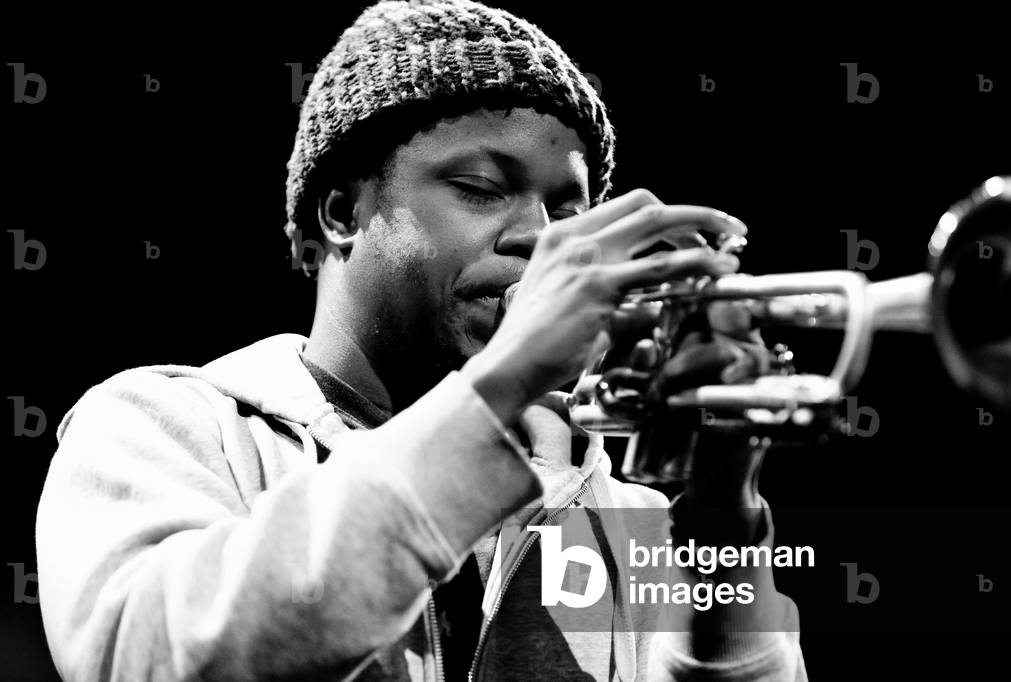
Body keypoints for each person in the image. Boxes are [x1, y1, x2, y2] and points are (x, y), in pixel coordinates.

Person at [36, 1, 806, 679]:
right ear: (340, 213)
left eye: (569, 211)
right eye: (479, 187)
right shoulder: (163, 427)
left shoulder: (621, 507)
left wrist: (723, 517)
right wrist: (502, 384)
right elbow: (148, 659)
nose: (540, 239)